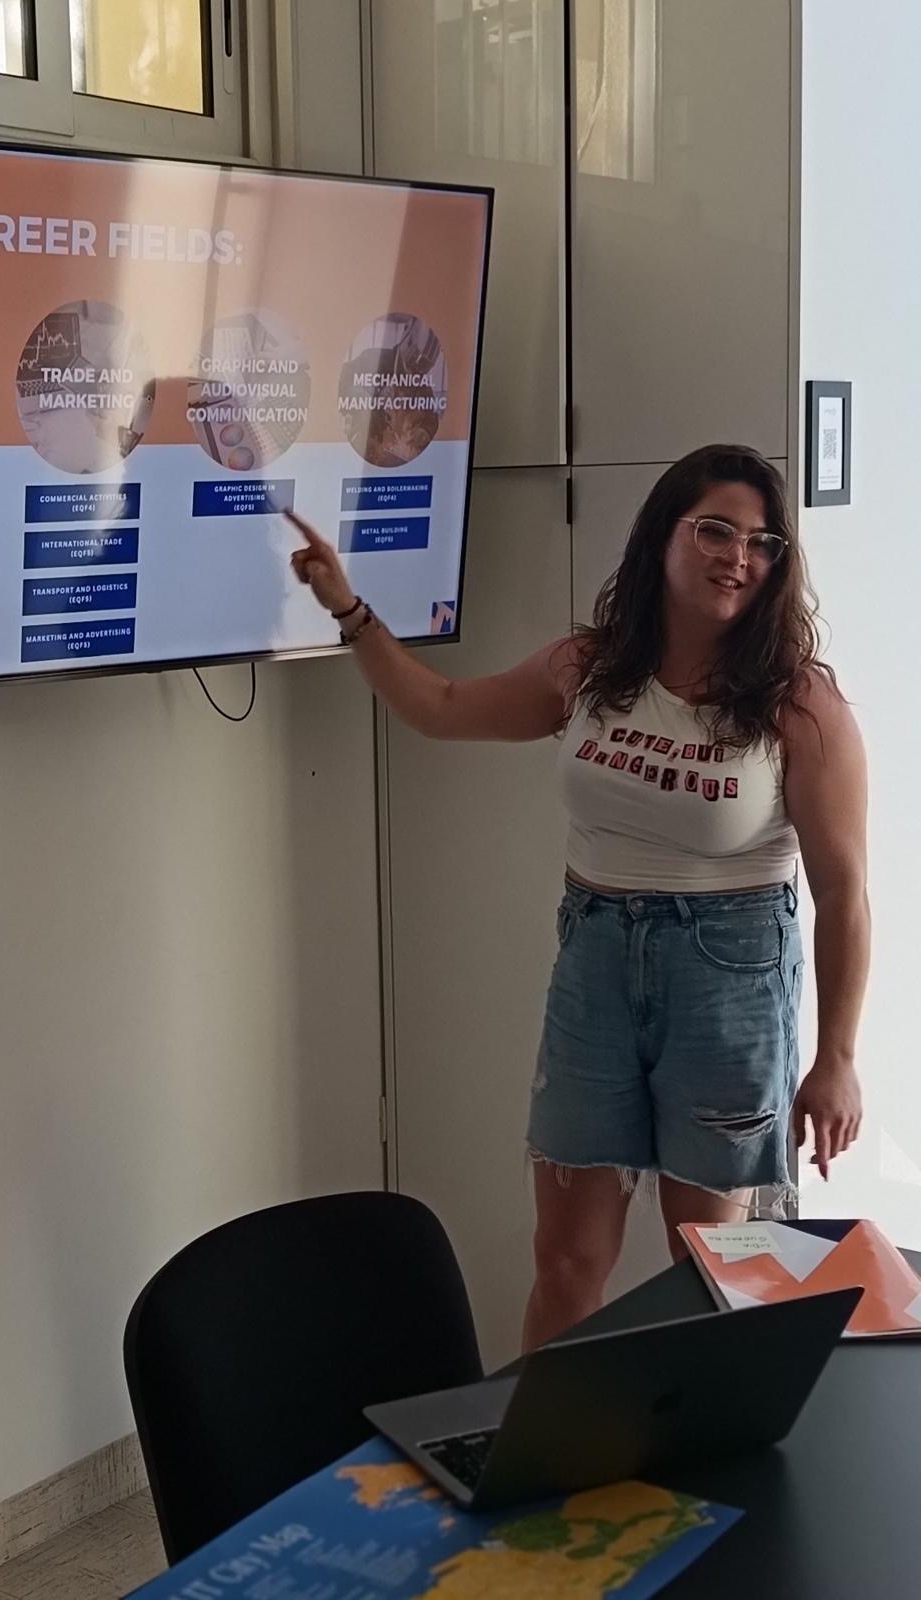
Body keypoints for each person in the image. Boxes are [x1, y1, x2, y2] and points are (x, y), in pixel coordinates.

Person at [287, 444, 869, 1349]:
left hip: (729, 978)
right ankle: (551, 1435)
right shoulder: (592, 668)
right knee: (565, 1261)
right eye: (715, 531)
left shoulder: (798, 704)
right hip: (595, 961)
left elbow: (844, 889)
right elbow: (443, 707)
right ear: (662, 536)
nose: (738, 557)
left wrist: (835, 1058)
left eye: (762, 543)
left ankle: (708, 1432)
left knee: (709, 1267)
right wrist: (347, 609)